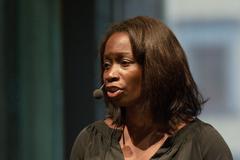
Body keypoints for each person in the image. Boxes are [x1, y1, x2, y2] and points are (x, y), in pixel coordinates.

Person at [70, 16, 233, 160]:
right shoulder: (91, 141)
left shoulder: (203, 144)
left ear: (156, 68)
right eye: (107, 64)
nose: (110, 74)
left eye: (124, 63)